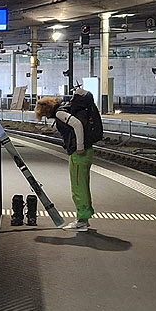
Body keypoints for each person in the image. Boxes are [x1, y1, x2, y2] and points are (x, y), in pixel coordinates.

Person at [55, 85, 103, 231]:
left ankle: (82, 221)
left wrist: (79, 146)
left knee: (78, 187)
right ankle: (84, 216)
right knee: (83, 185)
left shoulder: (62, 113)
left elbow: (77, 125)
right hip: (87, 151)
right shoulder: (87, 109)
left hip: (79, 154)